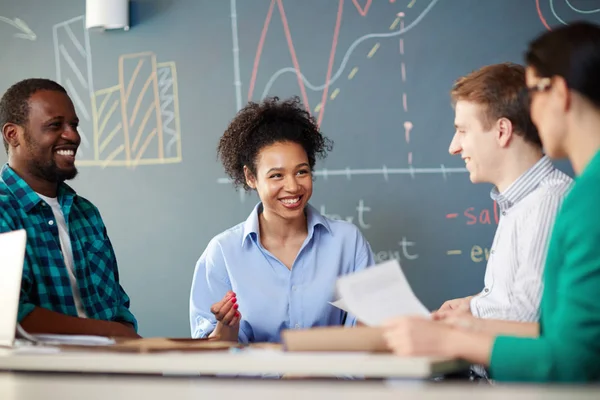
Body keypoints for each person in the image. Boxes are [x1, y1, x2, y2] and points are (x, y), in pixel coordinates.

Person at [383, 21, 600, 382]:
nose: (530, 111)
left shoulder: (579, 200)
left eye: (534, 94)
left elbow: (571, 356)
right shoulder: (576, 195)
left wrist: (452, 338)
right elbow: (554, 330)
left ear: (559, 93)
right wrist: (469, 318)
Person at [189, 96, 375, 343]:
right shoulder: (223, 252)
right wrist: (226, 328)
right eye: (276, 175)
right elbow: (210, 361)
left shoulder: (347, 243)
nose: (293, 186)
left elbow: (366, 339)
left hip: (330, 381)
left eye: (302, 171)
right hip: (259, 383)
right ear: (251, 177)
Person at [0, 78, 139, 338]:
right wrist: (110, 334)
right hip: (41, 376)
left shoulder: (86, 213)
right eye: (55, 125)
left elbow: (117, 306)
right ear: (13, 134)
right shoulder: (3, 211)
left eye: (73, 125)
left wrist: (128, 345)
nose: (73, 136)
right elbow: (11, 316)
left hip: (110, 372)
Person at [438, 62, 572, 323]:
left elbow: (527, 316)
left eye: (462, 131)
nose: (454, 147)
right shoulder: (520, 204)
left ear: (502, 131)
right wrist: (474, 303)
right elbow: (524, 299)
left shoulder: (547, 203)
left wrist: (473, 311)